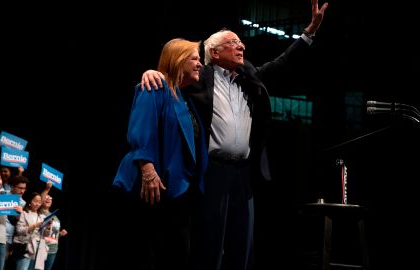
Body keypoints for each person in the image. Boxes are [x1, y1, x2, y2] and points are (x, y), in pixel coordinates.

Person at [140, 1, 328, 269]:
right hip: (213, 171)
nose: (242, 46)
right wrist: (152, 72)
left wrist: (308, 33)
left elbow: (282, 62)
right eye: (234, 42)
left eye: (241, 42)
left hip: (244, 173)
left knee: (243, 245)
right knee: (211, 245)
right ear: (214, 53)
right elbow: (173, 71)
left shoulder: (249, 77)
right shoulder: (199, 76)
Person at [112, 38, 207, 270]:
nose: (200, 64)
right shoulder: (155, 87)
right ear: (177, 61)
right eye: (194, 58)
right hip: (150, 188)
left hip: (177, 191)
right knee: (147, 255)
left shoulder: (185, 100)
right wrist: (147, 169)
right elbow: (141, 129)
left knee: (176, 255)